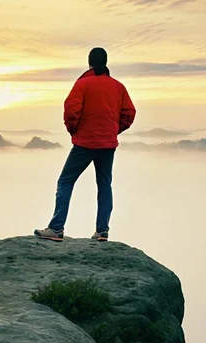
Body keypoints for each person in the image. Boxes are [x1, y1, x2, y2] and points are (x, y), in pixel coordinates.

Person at [34, 47, 136, 242]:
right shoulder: (118, 87)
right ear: (106, 63)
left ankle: (56, 229)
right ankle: (102, 231)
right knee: (105, 185)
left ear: (89, 63)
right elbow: (129, 114)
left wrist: (75, 130)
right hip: (108, 144)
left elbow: (71, 111)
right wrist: (113, 130)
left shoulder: (82, 84)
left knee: (65, 181)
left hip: (85, 144)